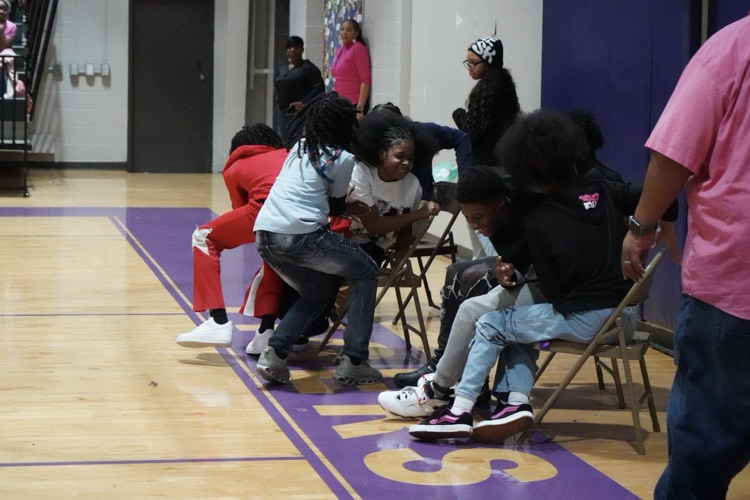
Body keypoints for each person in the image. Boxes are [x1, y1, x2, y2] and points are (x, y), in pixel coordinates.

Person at [407, 109, 679, 444]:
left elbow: (554, 292)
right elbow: (666, 199)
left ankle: (457, 410)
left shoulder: (539, 219)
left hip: (587, 322)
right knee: (515, 324)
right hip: (624, 320)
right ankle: (514, 403)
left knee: (493, 324)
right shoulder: (608, 189)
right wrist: (656, 230)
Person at [620, 16, 750, 500]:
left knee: (701, 454)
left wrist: (642, 225)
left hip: (733, 286)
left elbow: (673, 155)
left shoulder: (732, 48)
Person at [378, 166, 545, 418]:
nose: (473, 224)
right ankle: (502, 399)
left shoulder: (532, 211)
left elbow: (544, 264)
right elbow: (520, 263)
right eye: (467, 217)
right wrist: (508, 274)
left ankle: (439, 391)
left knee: (483, 314)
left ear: (500, 204)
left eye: (477, 216)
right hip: (535, 282)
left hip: (560, 293)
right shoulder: (501, 212)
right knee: (469, 292)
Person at [253, 91, 381, 386]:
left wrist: (342, 207)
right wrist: (349, 207)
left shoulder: (299, 147)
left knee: (317, 294)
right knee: (366, 270)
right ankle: (355, 361)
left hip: (265, 234)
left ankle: (274, 353)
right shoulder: (343, 159)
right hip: (301, 235)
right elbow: (335, 207)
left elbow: (309, 193)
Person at [348, 111, 441, 266]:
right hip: (346, 241)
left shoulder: (413, 185)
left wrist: (399, 266)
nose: (406, 163)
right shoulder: (362, 172)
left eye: (410, 159)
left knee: (367, 263)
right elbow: (374, 225)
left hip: (374, 251)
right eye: (399, 156)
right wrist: (421, 213)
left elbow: (405, 231)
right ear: (382, 154)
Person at [370, 102, 474, 201]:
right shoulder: (367, 149)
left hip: (421, 203)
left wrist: (465, 178)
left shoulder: (423, 134)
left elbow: (460, 138)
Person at [274, 36, 325, 140]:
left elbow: (319, 88)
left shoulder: (308, 68)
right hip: (283, 111)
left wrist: (303, 103)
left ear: (302, 49)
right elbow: (277, 85)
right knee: (285, 140)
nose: (292, 50)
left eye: (296, 47)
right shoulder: (283, 68)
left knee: (296, 141)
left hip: (299, 112)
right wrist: (277, 97)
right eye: (289, 47)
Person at [330, 18, 371, 116]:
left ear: (356, 34)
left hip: (353, 104)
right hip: (339, 103)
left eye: (348, 30)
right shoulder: (339, 50)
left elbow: (365, 80)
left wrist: (360, 108)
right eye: (342, 29)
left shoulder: (358, 49)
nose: (344, 32)